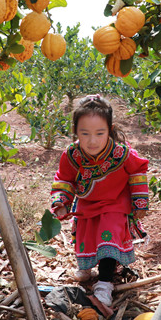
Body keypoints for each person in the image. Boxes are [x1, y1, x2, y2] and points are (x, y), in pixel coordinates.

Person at [50, 94, 149, 307]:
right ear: (75, 131)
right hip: (87, 204)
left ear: (110, 129)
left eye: (99, 133)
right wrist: (61, 201)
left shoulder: (121, 153)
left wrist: (139, 200)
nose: (92, 140)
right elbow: (65, 178)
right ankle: (86, 266)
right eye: (84, 133)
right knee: (87, 235)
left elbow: (138, 171)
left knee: (109, 238)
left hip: (115, 204)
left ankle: (104, 284)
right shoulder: (71, 155)